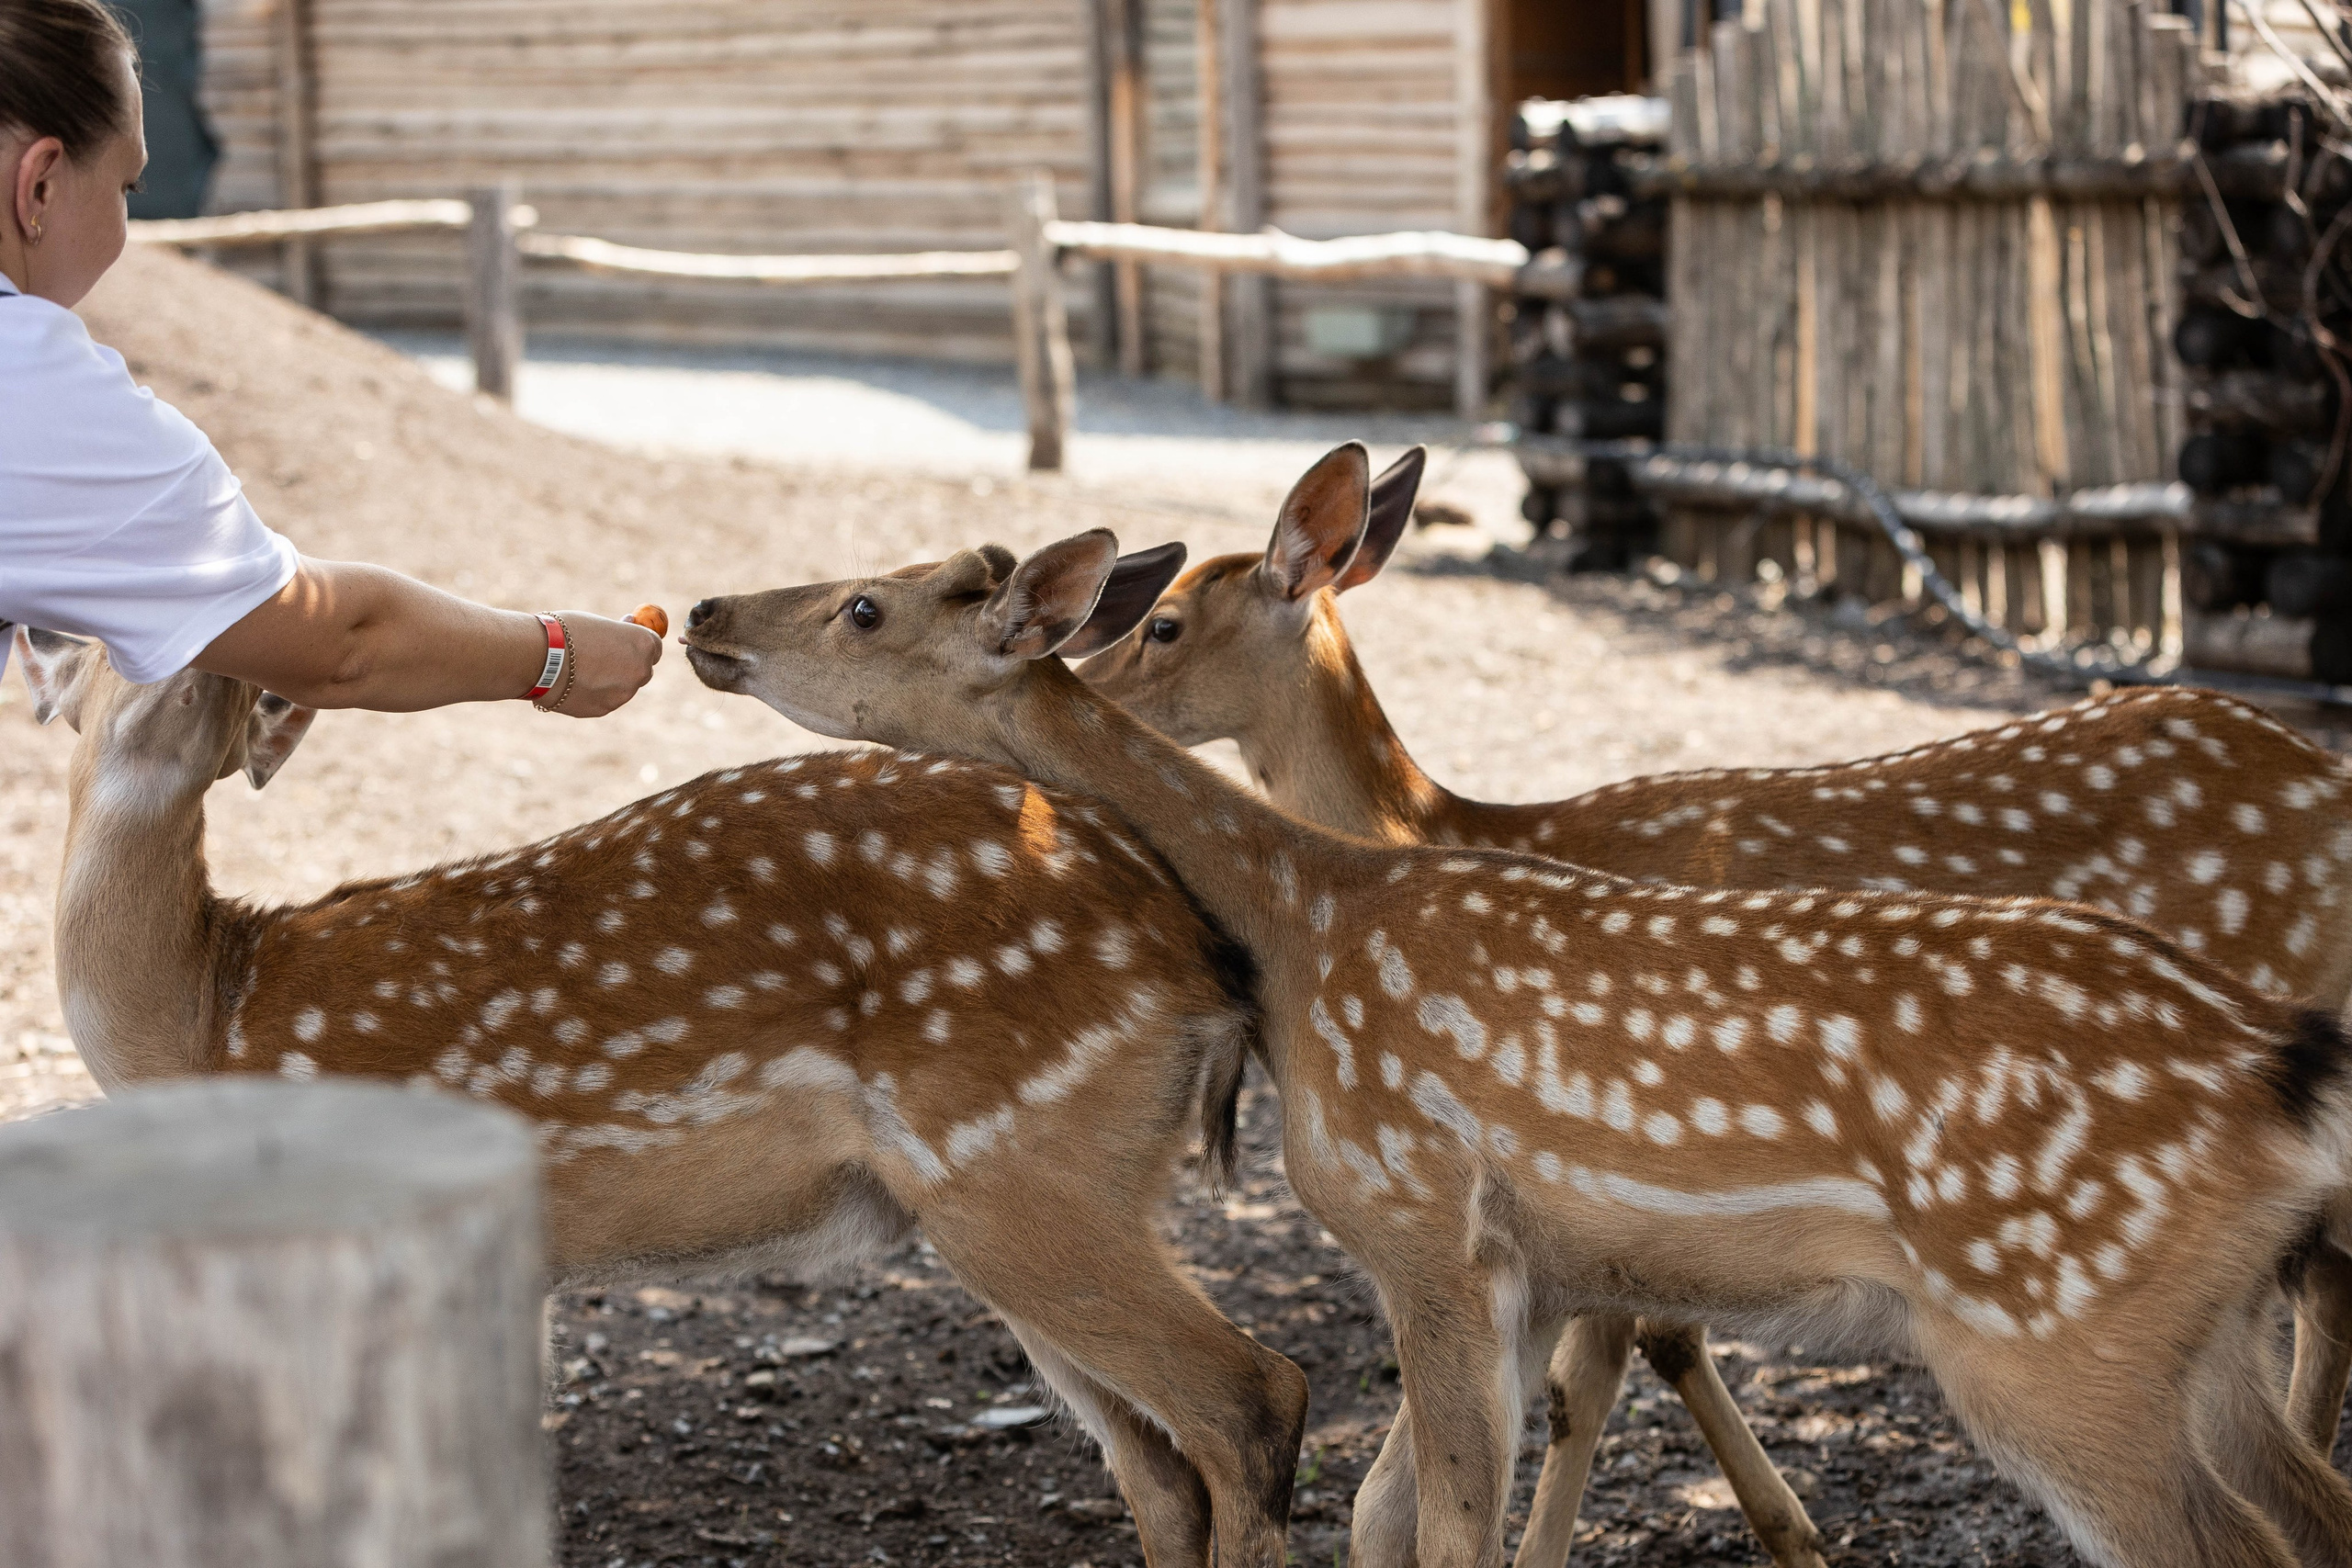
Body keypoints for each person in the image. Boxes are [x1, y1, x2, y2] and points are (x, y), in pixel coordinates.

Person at [0, 0, 659, 715]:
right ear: (40, 187)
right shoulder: (36, 390)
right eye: (129, 187)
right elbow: (341, 645)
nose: (127, 220)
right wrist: (556, 654)